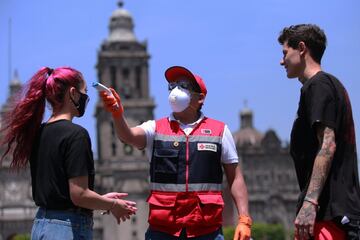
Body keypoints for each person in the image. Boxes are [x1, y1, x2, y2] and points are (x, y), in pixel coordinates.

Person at [100, 65, 252, 240]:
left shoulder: (220, 131)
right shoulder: (155, 128)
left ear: (200, 98)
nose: (175, 90)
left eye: (183, 85)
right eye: (172, 86)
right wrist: (117, 114)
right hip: (163, 230)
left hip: (206, 230)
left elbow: (235, 178)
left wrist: (244, 218)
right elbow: (128, 136)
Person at [0, 67, 137, 240]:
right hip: (66, 229)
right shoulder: (76, 135)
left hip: (41, 226)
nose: (86, 98)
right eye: (84, 92)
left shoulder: (38, 134)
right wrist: (113, 204)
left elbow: (60, 192)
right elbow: (79, 194)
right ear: (72, 93)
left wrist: (99, 199)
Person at [278, 24, 360, 240]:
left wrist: (310, 203)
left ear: (302, 48)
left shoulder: (318, 85)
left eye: (285, 53)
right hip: (334, 212)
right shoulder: (331, 85)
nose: (281, 61)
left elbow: (327, 144)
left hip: (328, 214)